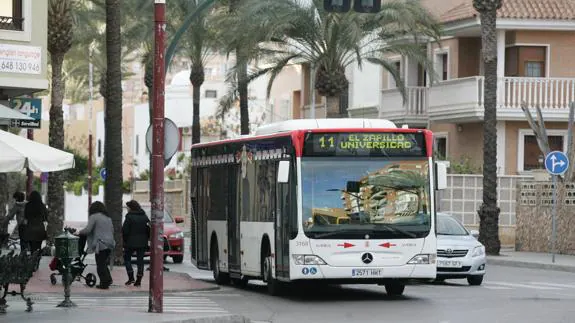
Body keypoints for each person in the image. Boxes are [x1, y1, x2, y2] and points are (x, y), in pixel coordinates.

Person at [78, 201, 116, 289]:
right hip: (110, 243)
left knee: (100, 264)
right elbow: (112, 230)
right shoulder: (107, 218)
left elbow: (88, 230)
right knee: (103, 263)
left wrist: (79, 232)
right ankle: (108, 279)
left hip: (100, 244)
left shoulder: (93, 217)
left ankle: (104, 283)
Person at [122, 200, 150, 287]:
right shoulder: (144, 216)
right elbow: (148, 229)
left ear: (131, 208)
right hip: (142, 242)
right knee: (140, 261)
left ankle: (131, 277)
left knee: (127, 259)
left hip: (130, 242)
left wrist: (125, 241)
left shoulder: (129, 217)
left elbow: (125, 231)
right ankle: (139, 280)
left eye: (127, 207)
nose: (127, 209)